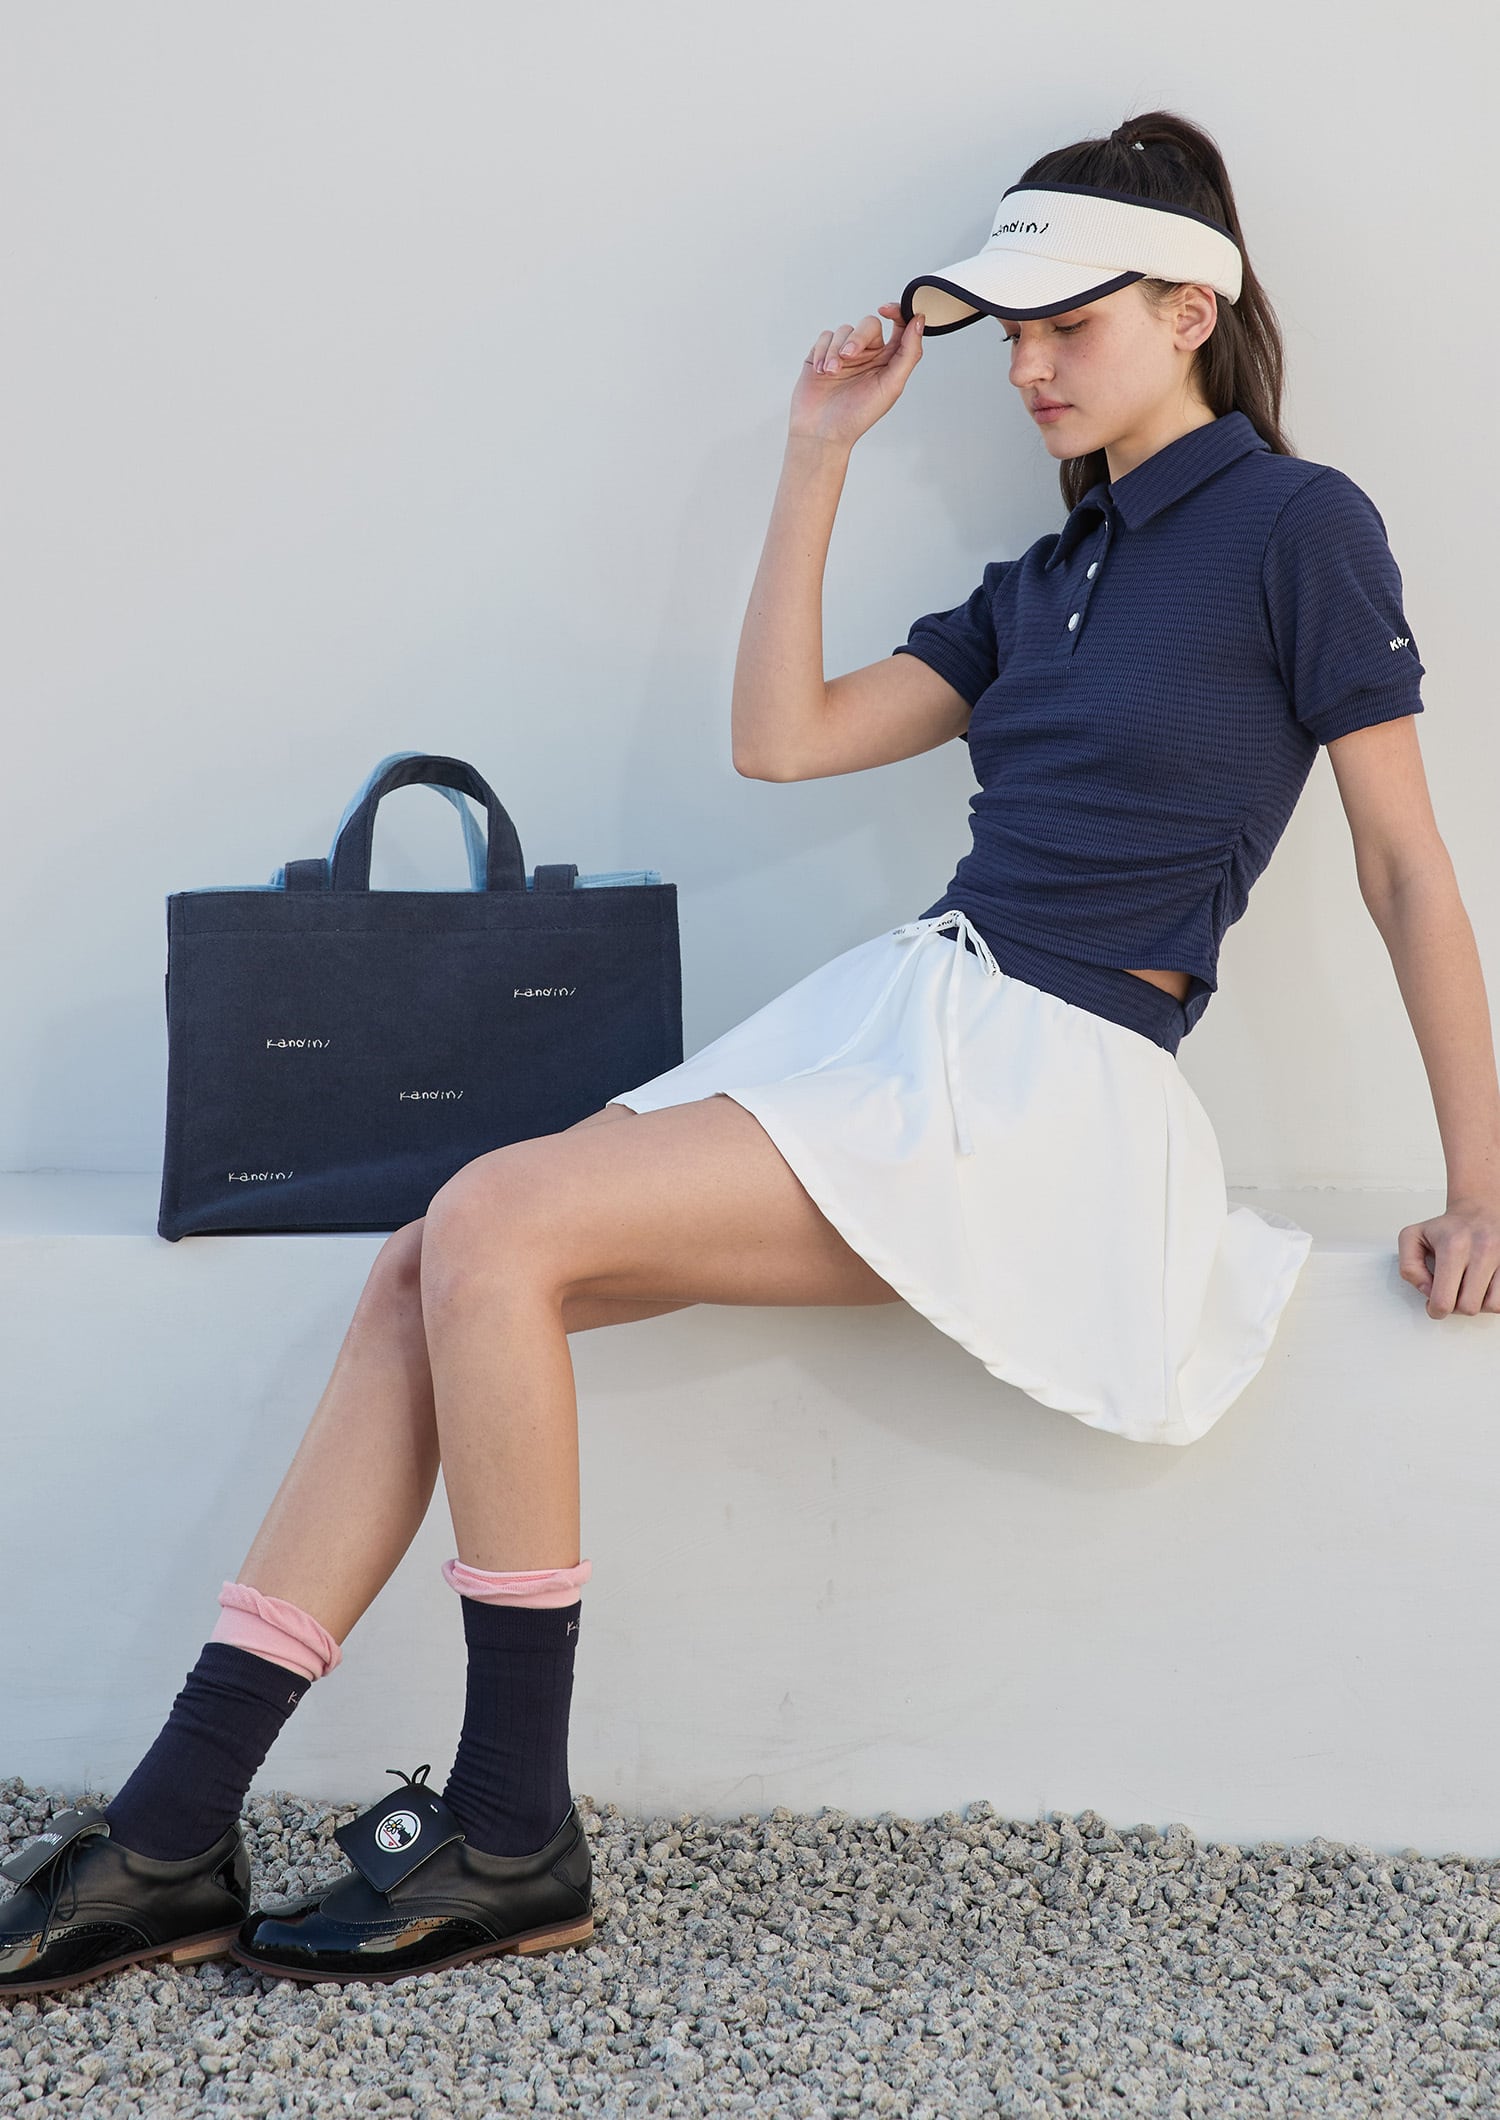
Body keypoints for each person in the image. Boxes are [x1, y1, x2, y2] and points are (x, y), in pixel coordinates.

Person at [5, 106, 1497, 1999]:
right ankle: (170, 1833)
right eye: (1011, 332)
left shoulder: (1300, 526)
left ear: (1192, 310)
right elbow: (780, 740)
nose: (1027, 368)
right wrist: (815, 456)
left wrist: (1479, 1183)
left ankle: (509, 1822)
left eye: (1069, 324)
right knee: (432, 1260)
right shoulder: (1051, 576)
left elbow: (1405, 865)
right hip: (918, 1026)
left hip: (1055, 1084)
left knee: (492, 1223)